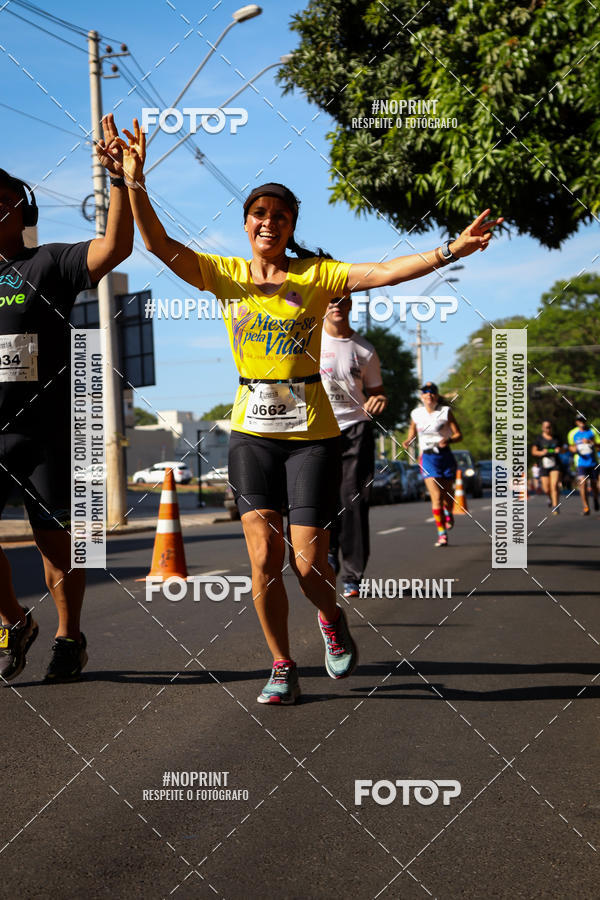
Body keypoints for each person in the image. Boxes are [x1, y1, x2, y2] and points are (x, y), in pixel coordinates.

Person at [117, 117, 502, 704]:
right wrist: (134, 181)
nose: (268, 222)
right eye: (259, 214)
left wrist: (453, 247)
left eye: (281, 216)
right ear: (246, 224)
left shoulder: (317, 276)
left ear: (292, 227)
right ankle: (281, 665)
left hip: (312, 434)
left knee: (306, 562)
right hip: (251, 431)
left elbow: (387, 271)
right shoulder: (228, 275)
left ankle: (331, 618)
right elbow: (158, 246)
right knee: (262, 558)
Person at [0, 114, 133, 683]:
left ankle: (66, 635)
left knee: (59, 546)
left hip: (50, 430)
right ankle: (14, 621)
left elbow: (114, 248)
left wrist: (121, 182)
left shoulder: (49, 262)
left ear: (21, 209)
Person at [320, 295, 387, 598]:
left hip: (355, 428)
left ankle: (352, 575)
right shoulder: (306, 341)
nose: (335, 305)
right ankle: (329, 551)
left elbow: (378, 392)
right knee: (320, 499)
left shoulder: (364, 349)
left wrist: (380, 399)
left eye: (342, 301)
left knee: (354, 501)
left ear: (349, 305)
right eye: (330, 300)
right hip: (316, 430)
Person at [403, 383, 463, 546]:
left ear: (436, 396)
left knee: (447, 495)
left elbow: (459, 435)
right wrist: (409, 440)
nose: (428, 394)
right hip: (428, 459)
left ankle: (448, 512)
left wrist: (449, 439)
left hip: (445, 456)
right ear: (422, 396)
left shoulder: (445, 412)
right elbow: (412, 432)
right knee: (436, 497)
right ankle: (441, 534)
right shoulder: (416, 413)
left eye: (431, 392)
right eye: (425, 392)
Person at [568, 417, 599, 515]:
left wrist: (591, 442)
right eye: (580, 421)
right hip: (580, 463)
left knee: (594, 484)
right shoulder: (572, 433)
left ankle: (595, 498)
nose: (582, 423)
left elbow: (599, 445)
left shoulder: (592, 431)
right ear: (576, 422)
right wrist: (576, 449)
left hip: (593, 462)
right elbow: (571, 447)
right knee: (583, 484)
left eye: (583, 421)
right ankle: (586, 506)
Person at [531, 421, 562, 514]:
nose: (548, 429)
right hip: (544, 465)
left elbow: (564, 449)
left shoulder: (556, 438)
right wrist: (541, 453)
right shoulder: (539, 439)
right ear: (542, 428)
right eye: (546, 427)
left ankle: (555, 506)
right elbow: (533, 452)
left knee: (554, 485)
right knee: (546, 489)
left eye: (549, 427)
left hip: (555, 464)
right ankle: (551, 498)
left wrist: (560, 450)